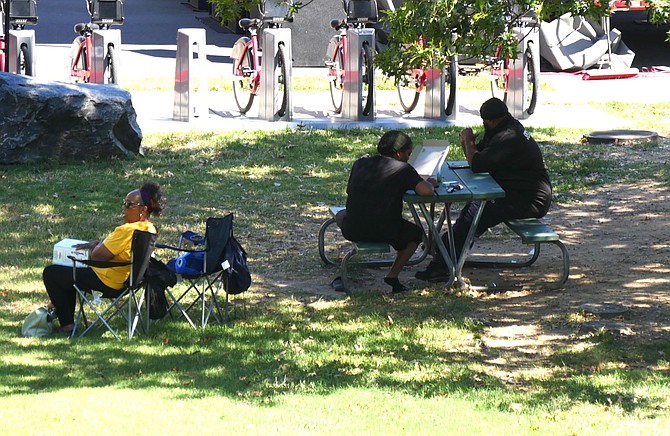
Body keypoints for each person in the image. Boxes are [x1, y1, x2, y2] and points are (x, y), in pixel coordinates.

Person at [416, 97, 552, 281]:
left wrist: (467, 139)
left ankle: (444, 262)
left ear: (493, 120)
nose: (483, 125)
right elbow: (477, 156)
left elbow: (477, 163)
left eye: (485, 121)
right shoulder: (502, 128)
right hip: (514, 192)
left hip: (531, 199)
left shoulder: (508, 136)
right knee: (475, 208)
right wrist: (469, 144)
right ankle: (447, 251)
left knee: (476, 212)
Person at [43, 181, 166, 333]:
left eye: (129, 205)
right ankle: (63, 317)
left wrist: (98, 245)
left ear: (143, 210)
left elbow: (97, 257)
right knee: (66, 273)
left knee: (52, 273)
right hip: (128, 280)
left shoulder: (126, 230)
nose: (124, 208)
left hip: (108, 282)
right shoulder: (149, 228)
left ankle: (67, 324)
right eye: (124, 203)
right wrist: (99, 243)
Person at [334, 130, 436, 293]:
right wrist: (429, 182)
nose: (408, 158)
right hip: (385, 230)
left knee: (341, 215)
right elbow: (427, 191)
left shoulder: (360, 163)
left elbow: (349, 190)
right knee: (415, 234)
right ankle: (393, 274)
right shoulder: (403, 169)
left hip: (352, 228)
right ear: (398, 153)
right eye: (408, 154)